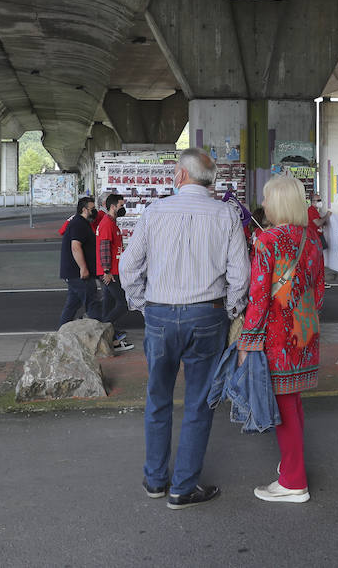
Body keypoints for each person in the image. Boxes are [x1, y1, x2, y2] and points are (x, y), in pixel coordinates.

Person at [118, 148, 249, 510]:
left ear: (179, 176)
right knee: (198, 402)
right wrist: (232, 310)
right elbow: (240, 276)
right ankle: (183, 487)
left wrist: (143, 305)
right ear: (212, 181)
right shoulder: (226, 214)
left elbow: (128, 267)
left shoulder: (155, 212)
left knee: (157, 398)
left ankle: (155, 480)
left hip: (159, 315)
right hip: (207, 316)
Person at [238, 174, 325, 504]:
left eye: (266, 198)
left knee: (284, 409)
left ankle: (293, 481)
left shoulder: (268, 240)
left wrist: (248, 342)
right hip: (305, 334)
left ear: (277, 202)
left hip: (276, 338)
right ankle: (293, 465)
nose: (263, 204)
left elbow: (258, 297)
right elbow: (318, 294)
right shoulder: (312, 239)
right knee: (294, 403)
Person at [95, 193, 134, 351]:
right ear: (112, 207)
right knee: (122, 304)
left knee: (109, 305)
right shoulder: (107, 224)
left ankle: (110, 338)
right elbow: (104, 247)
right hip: (109, 272)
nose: (123, 208)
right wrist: (106, 271)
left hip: (112, 270)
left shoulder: (111, 222)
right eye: (121, 205)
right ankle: (102, 332)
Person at [59, 197, 101, 325]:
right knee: (92, 303)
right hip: (79, 273)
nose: (95, 211)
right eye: (92, 209)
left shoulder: (82, 223)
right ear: (84, 209)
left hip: (74, 273)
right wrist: (83, 268)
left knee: (72, 304)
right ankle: (106, 335)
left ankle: (61, 333)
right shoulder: (78, 224)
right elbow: (75, 246)